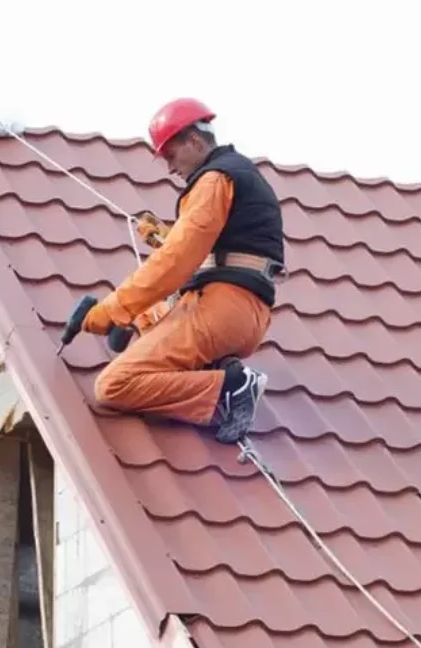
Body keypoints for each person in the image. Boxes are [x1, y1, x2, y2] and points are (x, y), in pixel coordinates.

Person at [78, 97, 285, 444]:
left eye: (171, 155)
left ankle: (230, 387)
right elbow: (218, 248)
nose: (170, 168)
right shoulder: (240, 174)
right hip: (243, 314)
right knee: (148, 317)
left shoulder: (215, 179)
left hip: (221, 308)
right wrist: (167, 236)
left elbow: (177, 263)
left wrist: (111, 310)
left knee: (114, 385)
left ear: (194, 140)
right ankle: (211, 367)